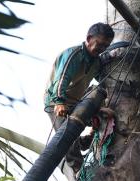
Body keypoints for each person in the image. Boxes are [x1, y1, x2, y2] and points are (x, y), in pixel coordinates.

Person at [43, 23, 114, 173]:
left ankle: (84, 141)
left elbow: (102, 80)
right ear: (89, 39)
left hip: (76, 101)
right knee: (66, 139)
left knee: (98, 94)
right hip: (57, 101)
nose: (102, 49)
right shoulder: (74, 55)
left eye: (106, 46)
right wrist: (59, 102)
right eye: (100, 44)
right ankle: (79, 174)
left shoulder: (96, 62)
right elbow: (62, 78)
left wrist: (100, 107)